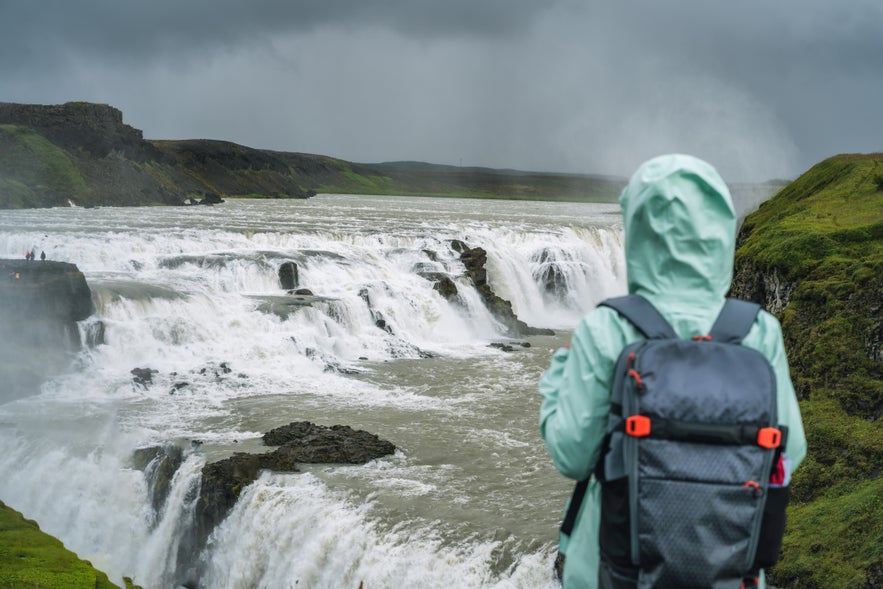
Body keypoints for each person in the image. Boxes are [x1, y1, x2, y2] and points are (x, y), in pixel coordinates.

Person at [539, 154, 807, 589]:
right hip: (728, 572)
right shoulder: (758, 330)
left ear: (638, 230)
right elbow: (790, 448)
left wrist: (557, 376)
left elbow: (572, 455)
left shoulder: (606, 327)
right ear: (721, 231)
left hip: (615, 573)